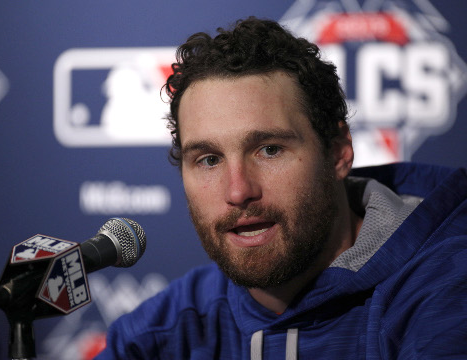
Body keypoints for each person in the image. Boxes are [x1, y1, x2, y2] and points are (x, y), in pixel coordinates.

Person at [96, 17, 467, 359]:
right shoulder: (171, 325)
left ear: (338, 152)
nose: (238, 191)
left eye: (270, 150)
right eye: (209, 159)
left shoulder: (443, 291)